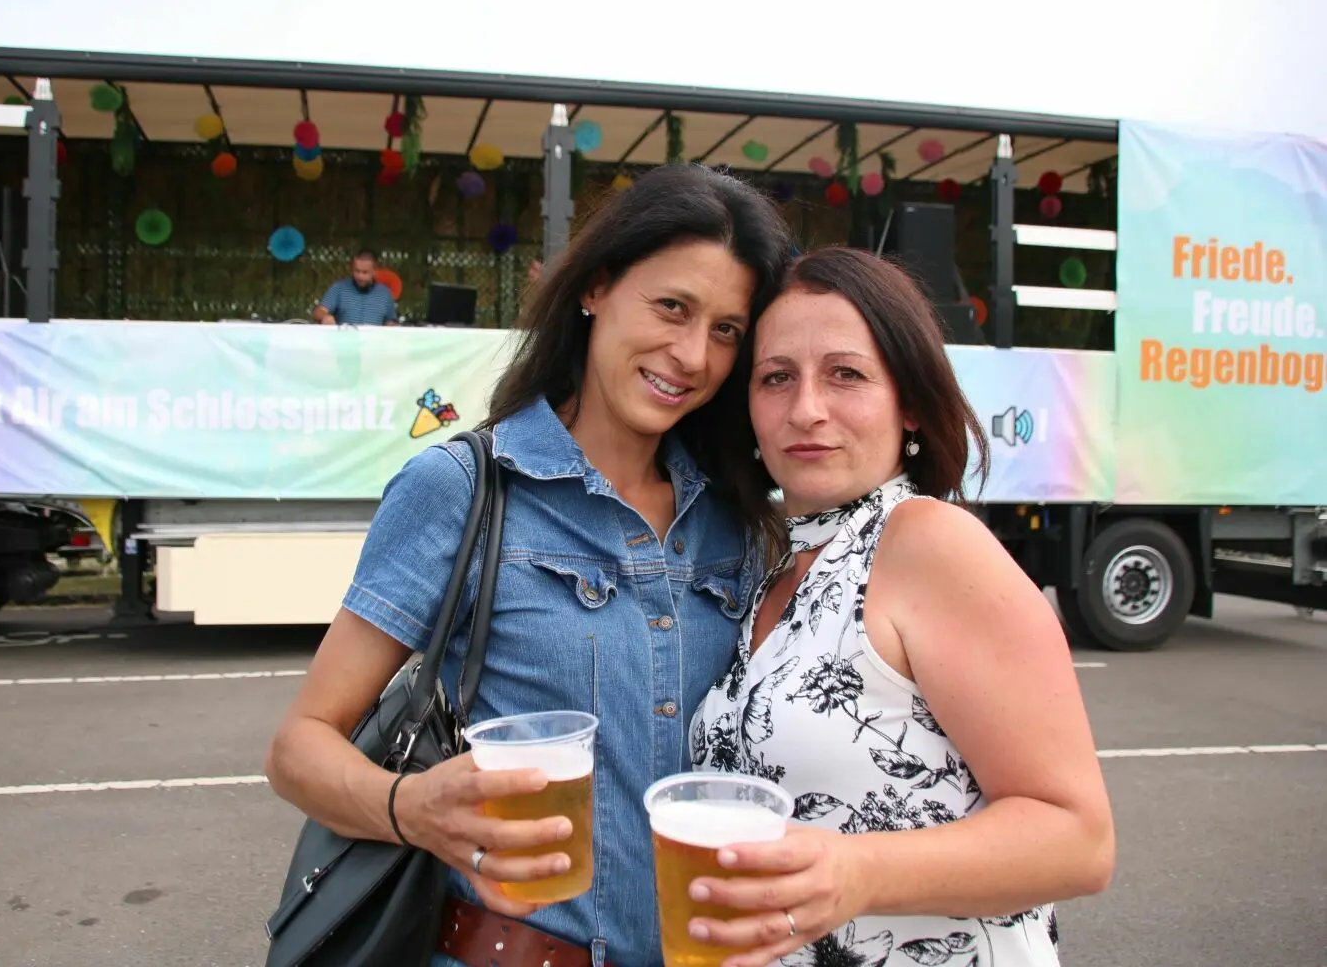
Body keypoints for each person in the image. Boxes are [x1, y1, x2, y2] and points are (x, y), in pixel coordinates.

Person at [266, 163, 795, 967]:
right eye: (672, 307)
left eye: (726, 330)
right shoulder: (465, 488)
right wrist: (413, 807)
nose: (692, 354)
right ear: (595, 289)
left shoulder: (740, 519)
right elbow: (300, 746)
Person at [685, 248, 1115, 967]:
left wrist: (857, 871)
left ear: (908, 400)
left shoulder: (926, 543)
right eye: (776, 378)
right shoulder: (779, 566)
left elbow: (1079, 840)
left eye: (846, 374)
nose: (807, 409)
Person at [312, 248, 398, 325]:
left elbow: (390, 322)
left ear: (375, 271)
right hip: (343, 341)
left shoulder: (385, 294)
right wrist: (325, 317)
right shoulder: (339, 288)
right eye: (357, 271)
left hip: (373, 342)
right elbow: (319, 311)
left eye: (365, 272)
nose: (360, 276)